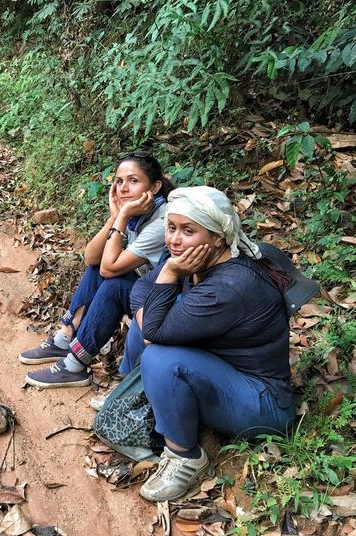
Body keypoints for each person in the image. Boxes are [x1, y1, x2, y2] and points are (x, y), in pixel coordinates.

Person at [125, 186, 295, 502]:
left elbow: (155, 332)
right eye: (171, 227)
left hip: (263, 404)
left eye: (188, 231)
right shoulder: (199, 261)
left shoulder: (228, 285)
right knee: (148, 316)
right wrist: (164, 282)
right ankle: (134, 392)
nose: (174, 239)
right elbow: (140, 288)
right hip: (226, 373)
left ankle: (184, 456)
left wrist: (171, 271)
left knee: (159, 355)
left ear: (218, 237)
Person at [21, 153, 174, 388]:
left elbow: (109, 268)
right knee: (97, 268)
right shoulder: (134, 215)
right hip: (147, 286)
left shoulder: (161, 221)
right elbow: (91, 257)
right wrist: (115, 218)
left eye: (133, 181)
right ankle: (65, 338)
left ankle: (75, 365)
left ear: (154, 187)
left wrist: (121, 216)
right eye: (119, 181)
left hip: (165, 300)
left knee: (113, 283)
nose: (123, 188)